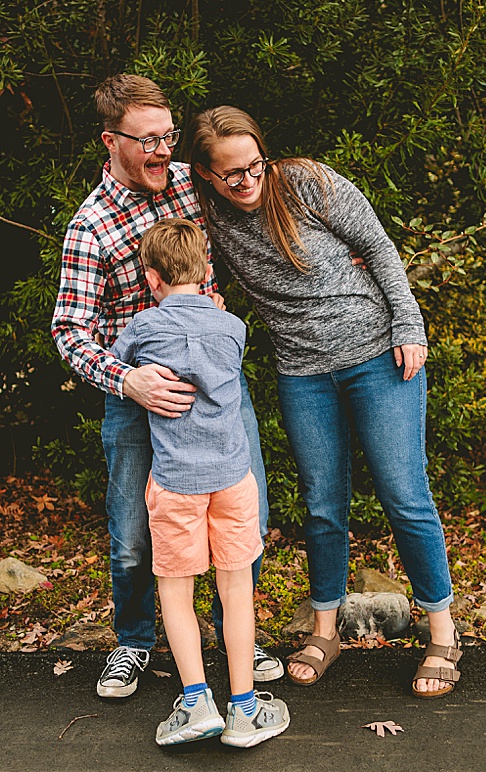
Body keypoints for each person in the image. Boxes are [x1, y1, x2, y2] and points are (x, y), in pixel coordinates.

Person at [186, 105, 462, 697]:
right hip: (303, 373)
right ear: (207, 175)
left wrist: (409, 327)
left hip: (377, 357)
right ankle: (326, 630)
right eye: (230, 174)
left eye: (254, 165)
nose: (247, 181)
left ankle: (442, 633)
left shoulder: (308, 183)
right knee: (321, 506)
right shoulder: (207, 211)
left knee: (403, 494)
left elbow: (380, 249)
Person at [51, 76, 283, 699]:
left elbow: (260, 202)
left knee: (245, 518)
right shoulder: (90, 227)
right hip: (138, 399)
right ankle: (134, 641)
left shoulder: (190, 182)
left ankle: (240, 636)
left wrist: (344, 258)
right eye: (147, 139)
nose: (162, 149)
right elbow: (69, 333)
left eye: (168, 136)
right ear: (111, 141)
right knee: (132, 534)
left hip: (214, 393)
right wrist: (129, 379)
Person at [111, 218, 290, 747]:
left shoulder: (143, 327)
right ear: (208, 269)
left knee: (176, 592)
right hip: (233, 480)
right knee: (237, 591)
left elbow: (119, 364)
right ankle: (244, 708)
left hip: (174, 484)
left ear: (151, 278)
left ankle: (195, 704)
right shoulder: (232, 327)